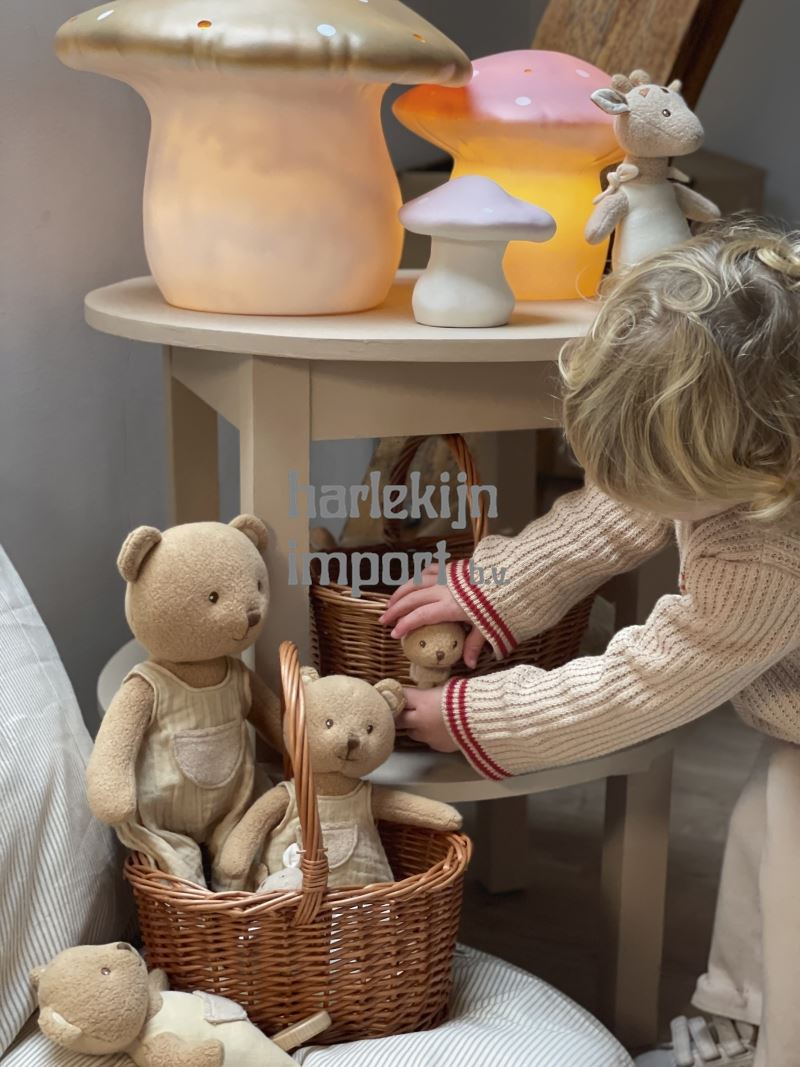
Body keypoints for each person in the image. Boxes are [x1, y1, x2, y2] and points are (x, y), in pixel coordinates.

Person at [381, 219, 800, 1067]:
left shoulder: (764, 559)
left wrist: (475, 716)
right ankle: (744, 1023)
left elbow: (640, 686)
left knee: (790, 859)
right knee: (769, 832)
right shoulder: (755, 420)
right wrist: (497, 585)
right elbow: (625, 505)